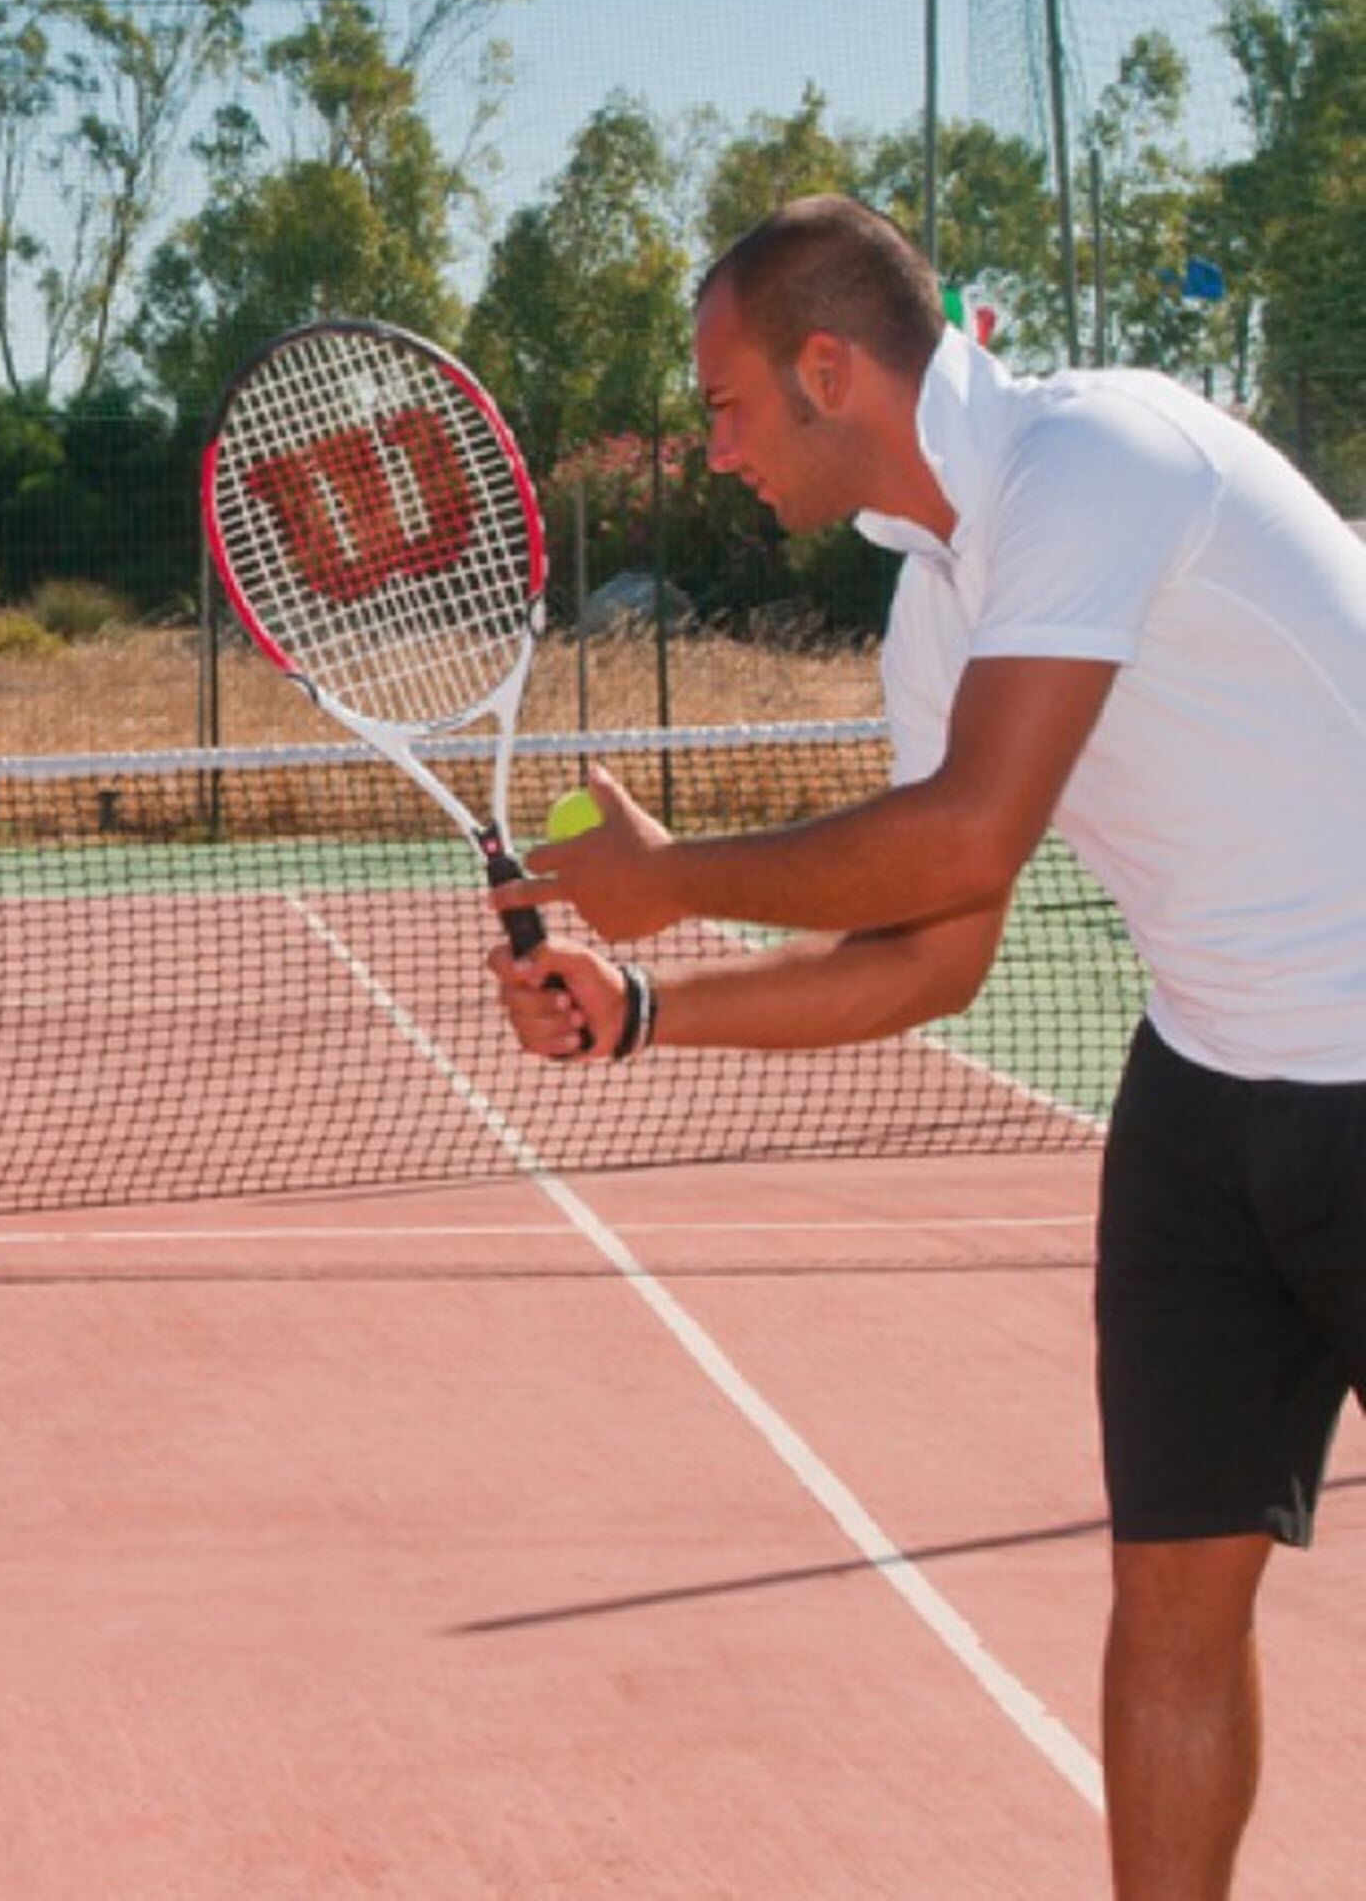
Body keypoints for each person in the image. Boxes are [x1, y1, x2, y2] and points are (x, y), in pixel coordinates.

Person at [489, 194, 1366, 1901]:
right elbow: (932, 962)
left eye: (727, 402)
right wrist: (650, 1004)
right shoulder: (936, 607)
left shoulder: (1099, 461)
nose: (713, 445)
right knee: (1172, 1594)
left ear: (833, 367)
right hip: (1206, 1094)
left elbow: (966, 838)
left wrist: (668, 888)